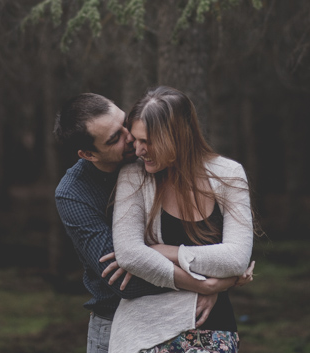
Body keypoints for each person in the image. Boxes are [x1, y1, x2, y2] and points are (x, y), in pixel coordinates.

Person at [54, 93, 241, 353]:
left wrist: (225, 267)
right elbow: (124, 282)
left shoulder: (156, 159)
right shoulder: (74, 194)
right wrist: (210, 284)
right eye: (114, 139)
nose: (131, 137)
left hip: (186, 316)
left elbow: (222, 241)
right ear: (88, 154)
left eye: (124, 123)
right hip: (115, 321)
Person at [105, 86, 255, 353]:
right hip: (144, 332)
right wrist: (210, 284)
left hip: (211, 328)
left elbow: (236, 259)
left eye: (147, 141)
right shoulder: (134, 176)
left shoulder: (229, 175)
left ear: (178, 136)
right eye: (135, 140)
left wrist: (165, 251)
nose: (138, 150)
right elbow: (129, 254)